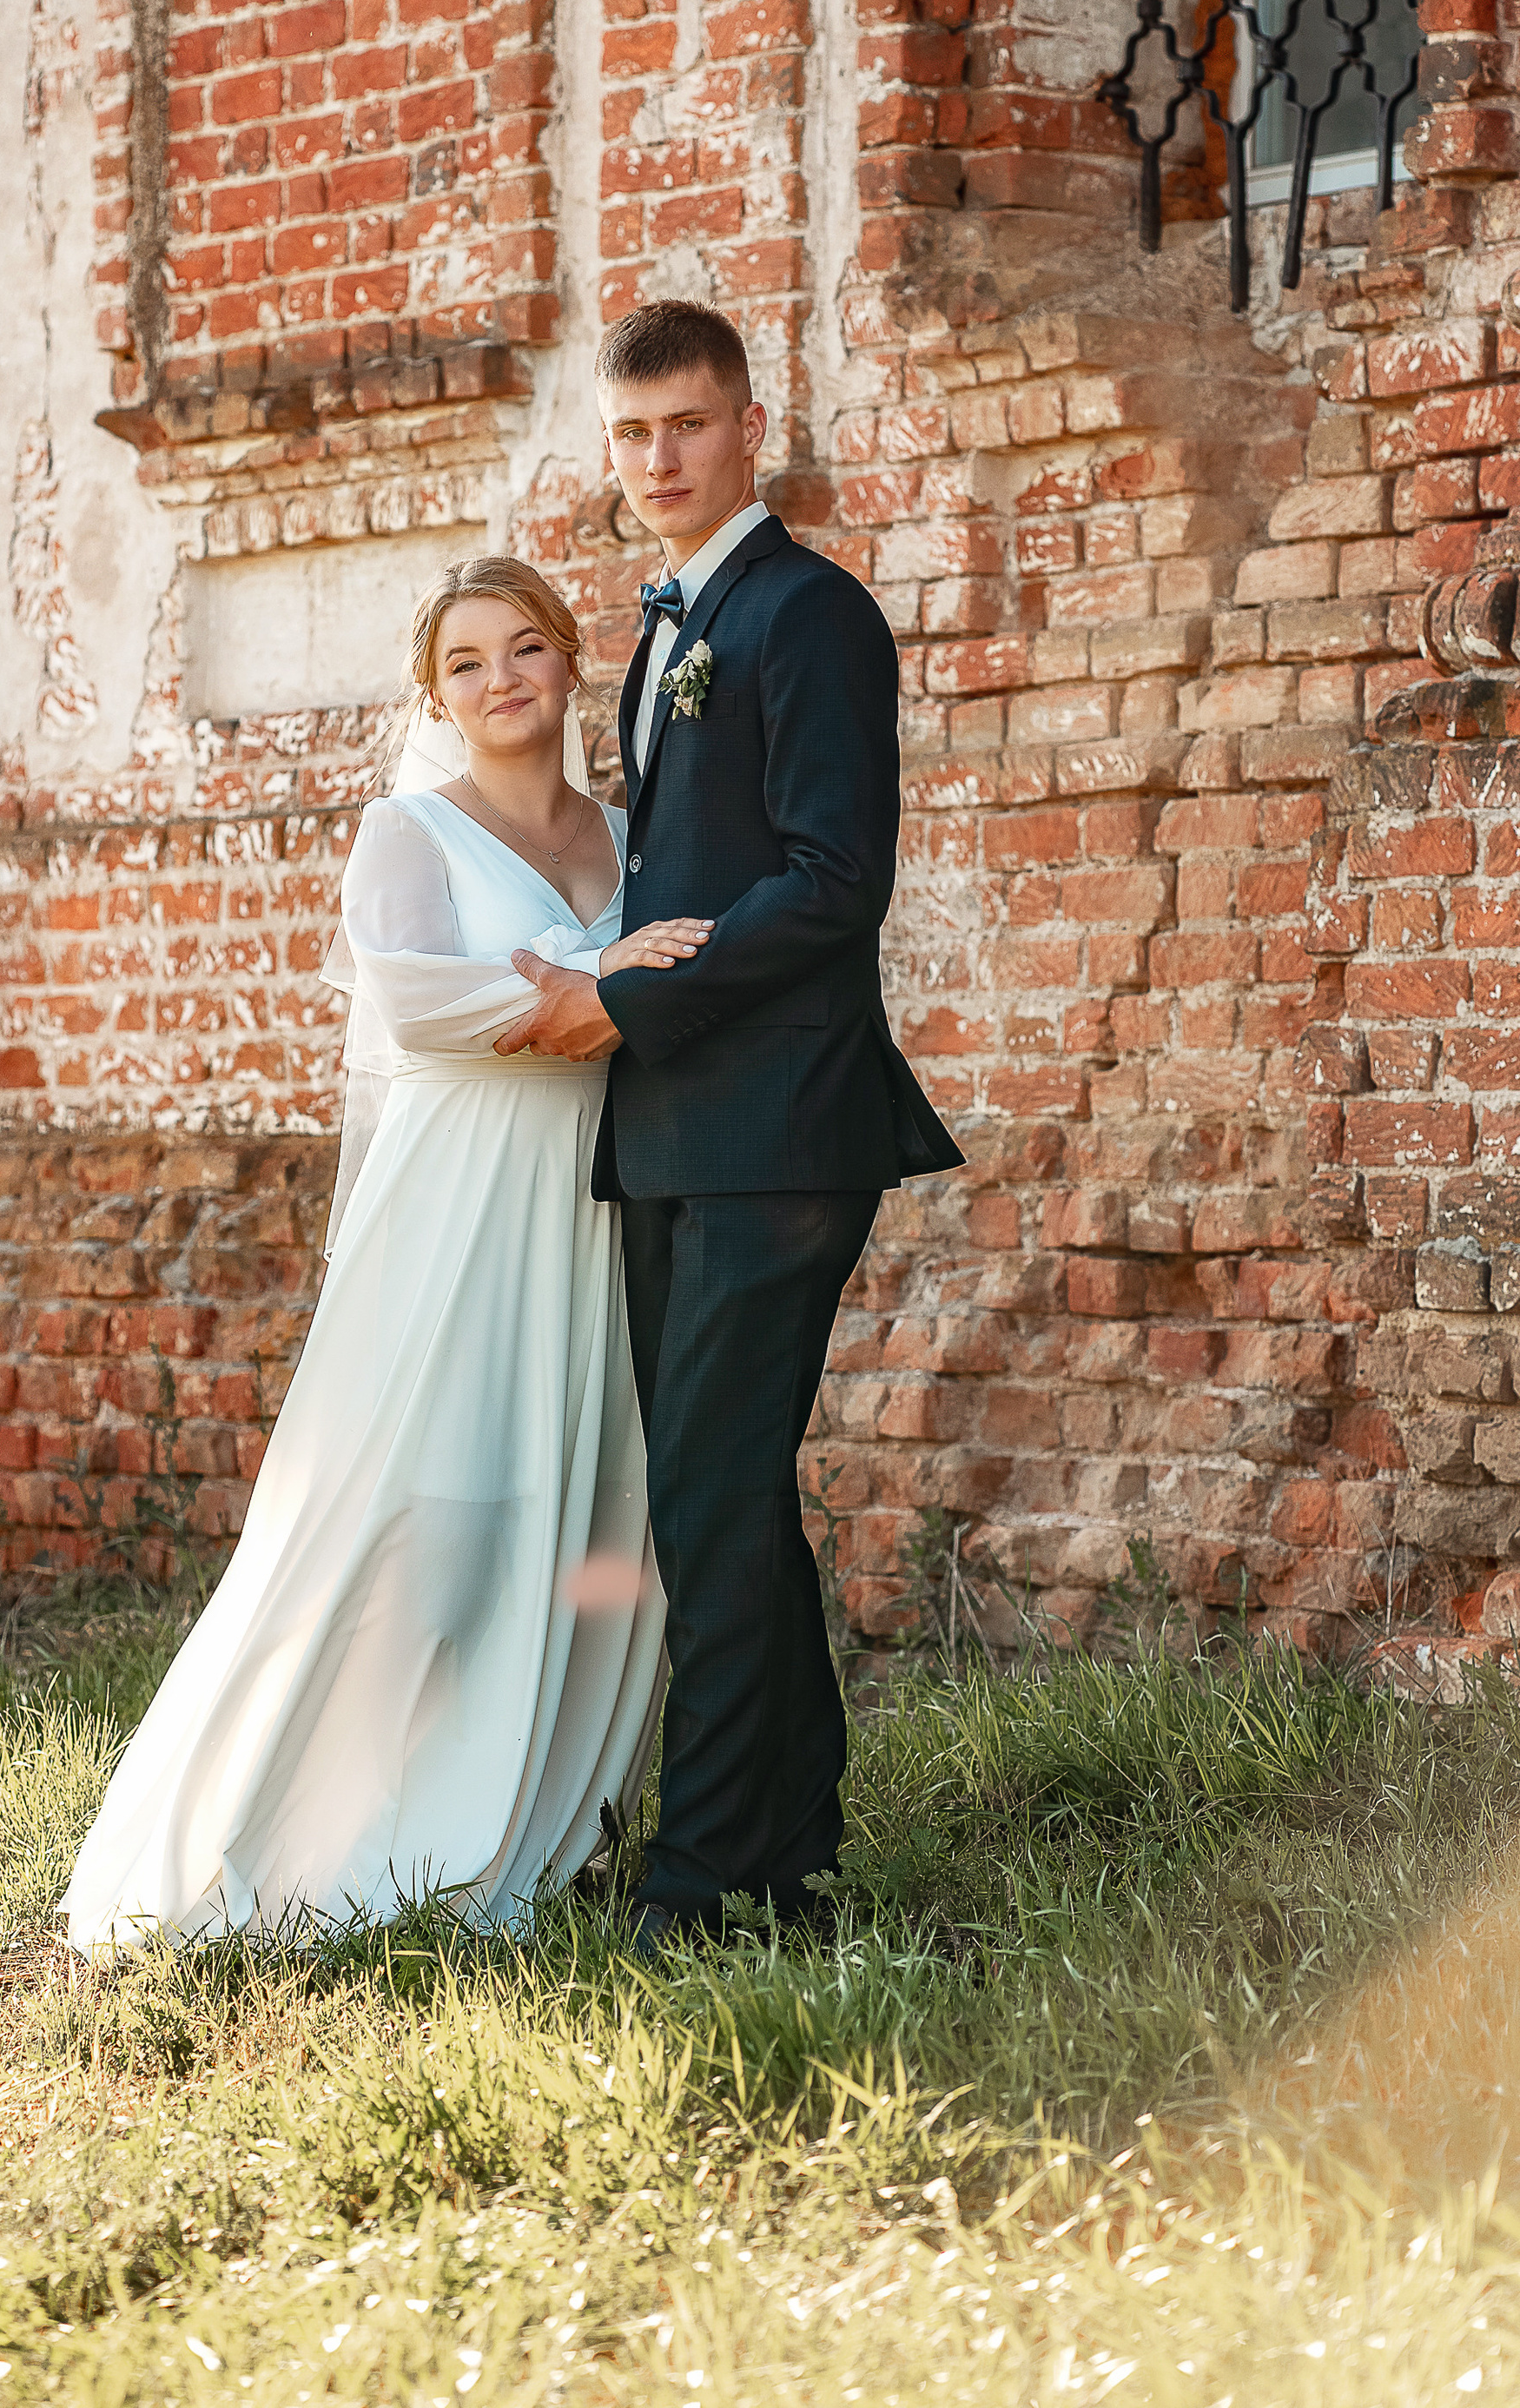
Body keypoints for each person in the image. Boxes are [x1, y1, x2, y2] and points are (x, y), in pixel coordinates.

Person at [59, 555, 710, 1950]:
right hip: (457, 1206)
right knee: (421, 1514)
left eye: (525, 648)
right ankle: (301, 1834)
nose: (501, 681)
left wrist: (603, 989)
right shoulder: (407, 832)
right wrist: (597, 983)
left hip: (593, 1208)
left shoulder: (629, 833)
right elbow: (415, 1006)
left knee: (588, 1513)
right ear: (436, 694)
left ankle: (537, 1828)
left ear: (568, 665)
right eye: (467, 662)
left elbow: (683, 976)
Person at [497, 301, 962, 1948]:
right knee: (728, 1495)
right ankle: (788, 1841)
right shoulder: (666, 621)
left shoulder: (808, 614)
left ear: (749, 426)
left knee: (707, 1493)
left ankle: (699, 1891)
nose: (659, 459)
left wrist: (626, 1003)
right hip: (678, 1131)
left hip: (780, 1130)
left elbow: (837, 885)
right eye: (631, 435)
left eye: (687, 424)